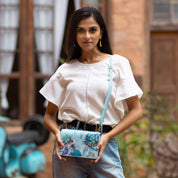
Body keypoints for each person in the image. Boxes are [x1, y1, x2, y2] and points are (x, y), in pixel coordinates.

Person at [39, 6, 143, 178]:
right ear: (74, 34)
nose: (87, 36)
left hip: (103, 143)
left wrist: (108, 136)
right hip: (68, 147)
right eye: (81, 31)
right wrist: (57, 133)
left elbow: (136, 110)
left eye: (92, 30)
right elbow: (49, 116)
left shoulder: (117, 64)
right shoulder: (65, 69)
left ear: (101, 33)